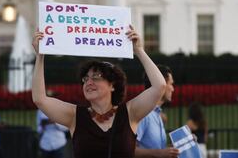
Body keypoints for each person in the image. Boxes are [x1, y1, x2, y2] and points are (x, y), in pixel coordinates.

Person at [31, 25, 167, 158]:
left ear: (112, 85)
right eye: (85, 79)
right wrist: (40, 56)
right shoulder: (74, 116)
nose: (89, 82)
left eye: (96, 77)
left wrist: (139, 51)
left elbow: (159, 86)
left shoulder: (130, 113)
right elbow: (40, 99)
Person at [135, 65, 179, 158]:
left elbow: (158, 149)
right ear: (161, 84)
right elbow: (128, 150)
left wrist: (179, 146)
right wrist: (159, 153)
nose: (172, 88)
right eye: (170, 84)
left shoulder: (157, 114)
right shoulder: (144, 113)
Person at [37, 90, 68, 158]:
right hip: (45, 144)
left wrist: (55, 121)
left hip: (58, 143)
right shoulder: (40, 111)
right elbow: (38, 129)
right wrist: (43, 125)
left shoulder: (61, 109)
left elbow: (66, 127)